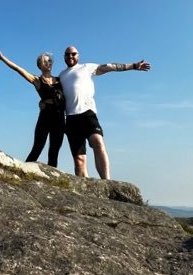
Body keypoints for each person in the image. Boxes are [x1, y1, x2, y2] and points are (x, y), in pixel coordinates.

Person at [59, 46, 151, 180]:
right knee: (79, 160)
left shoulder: (87, 67)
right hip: (71, 119)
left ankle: (107, 182)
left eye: (73, 54)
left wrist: (134, 66)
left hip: (87, 113)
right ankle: (85, 193)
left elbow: (110, 66)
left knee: (97, 142)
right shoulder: (61, 75)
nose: (70, 56)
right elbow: (48, 89)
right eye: (67, 55)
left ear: (78, 55)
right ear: (64, 57)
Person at [0, 49, 65, 167]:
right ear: (40, 66)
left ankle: (53, 179)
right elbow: (18, 69)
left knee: (54, 151)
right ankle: (23, 172)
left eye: (50, 61)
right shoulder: (37, 80)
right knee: (37, 147)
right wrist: (3, 58)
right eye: (45, 61)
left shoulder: (60, 80)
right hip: (46, 116)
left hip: (60, 117)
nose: (49, 63)